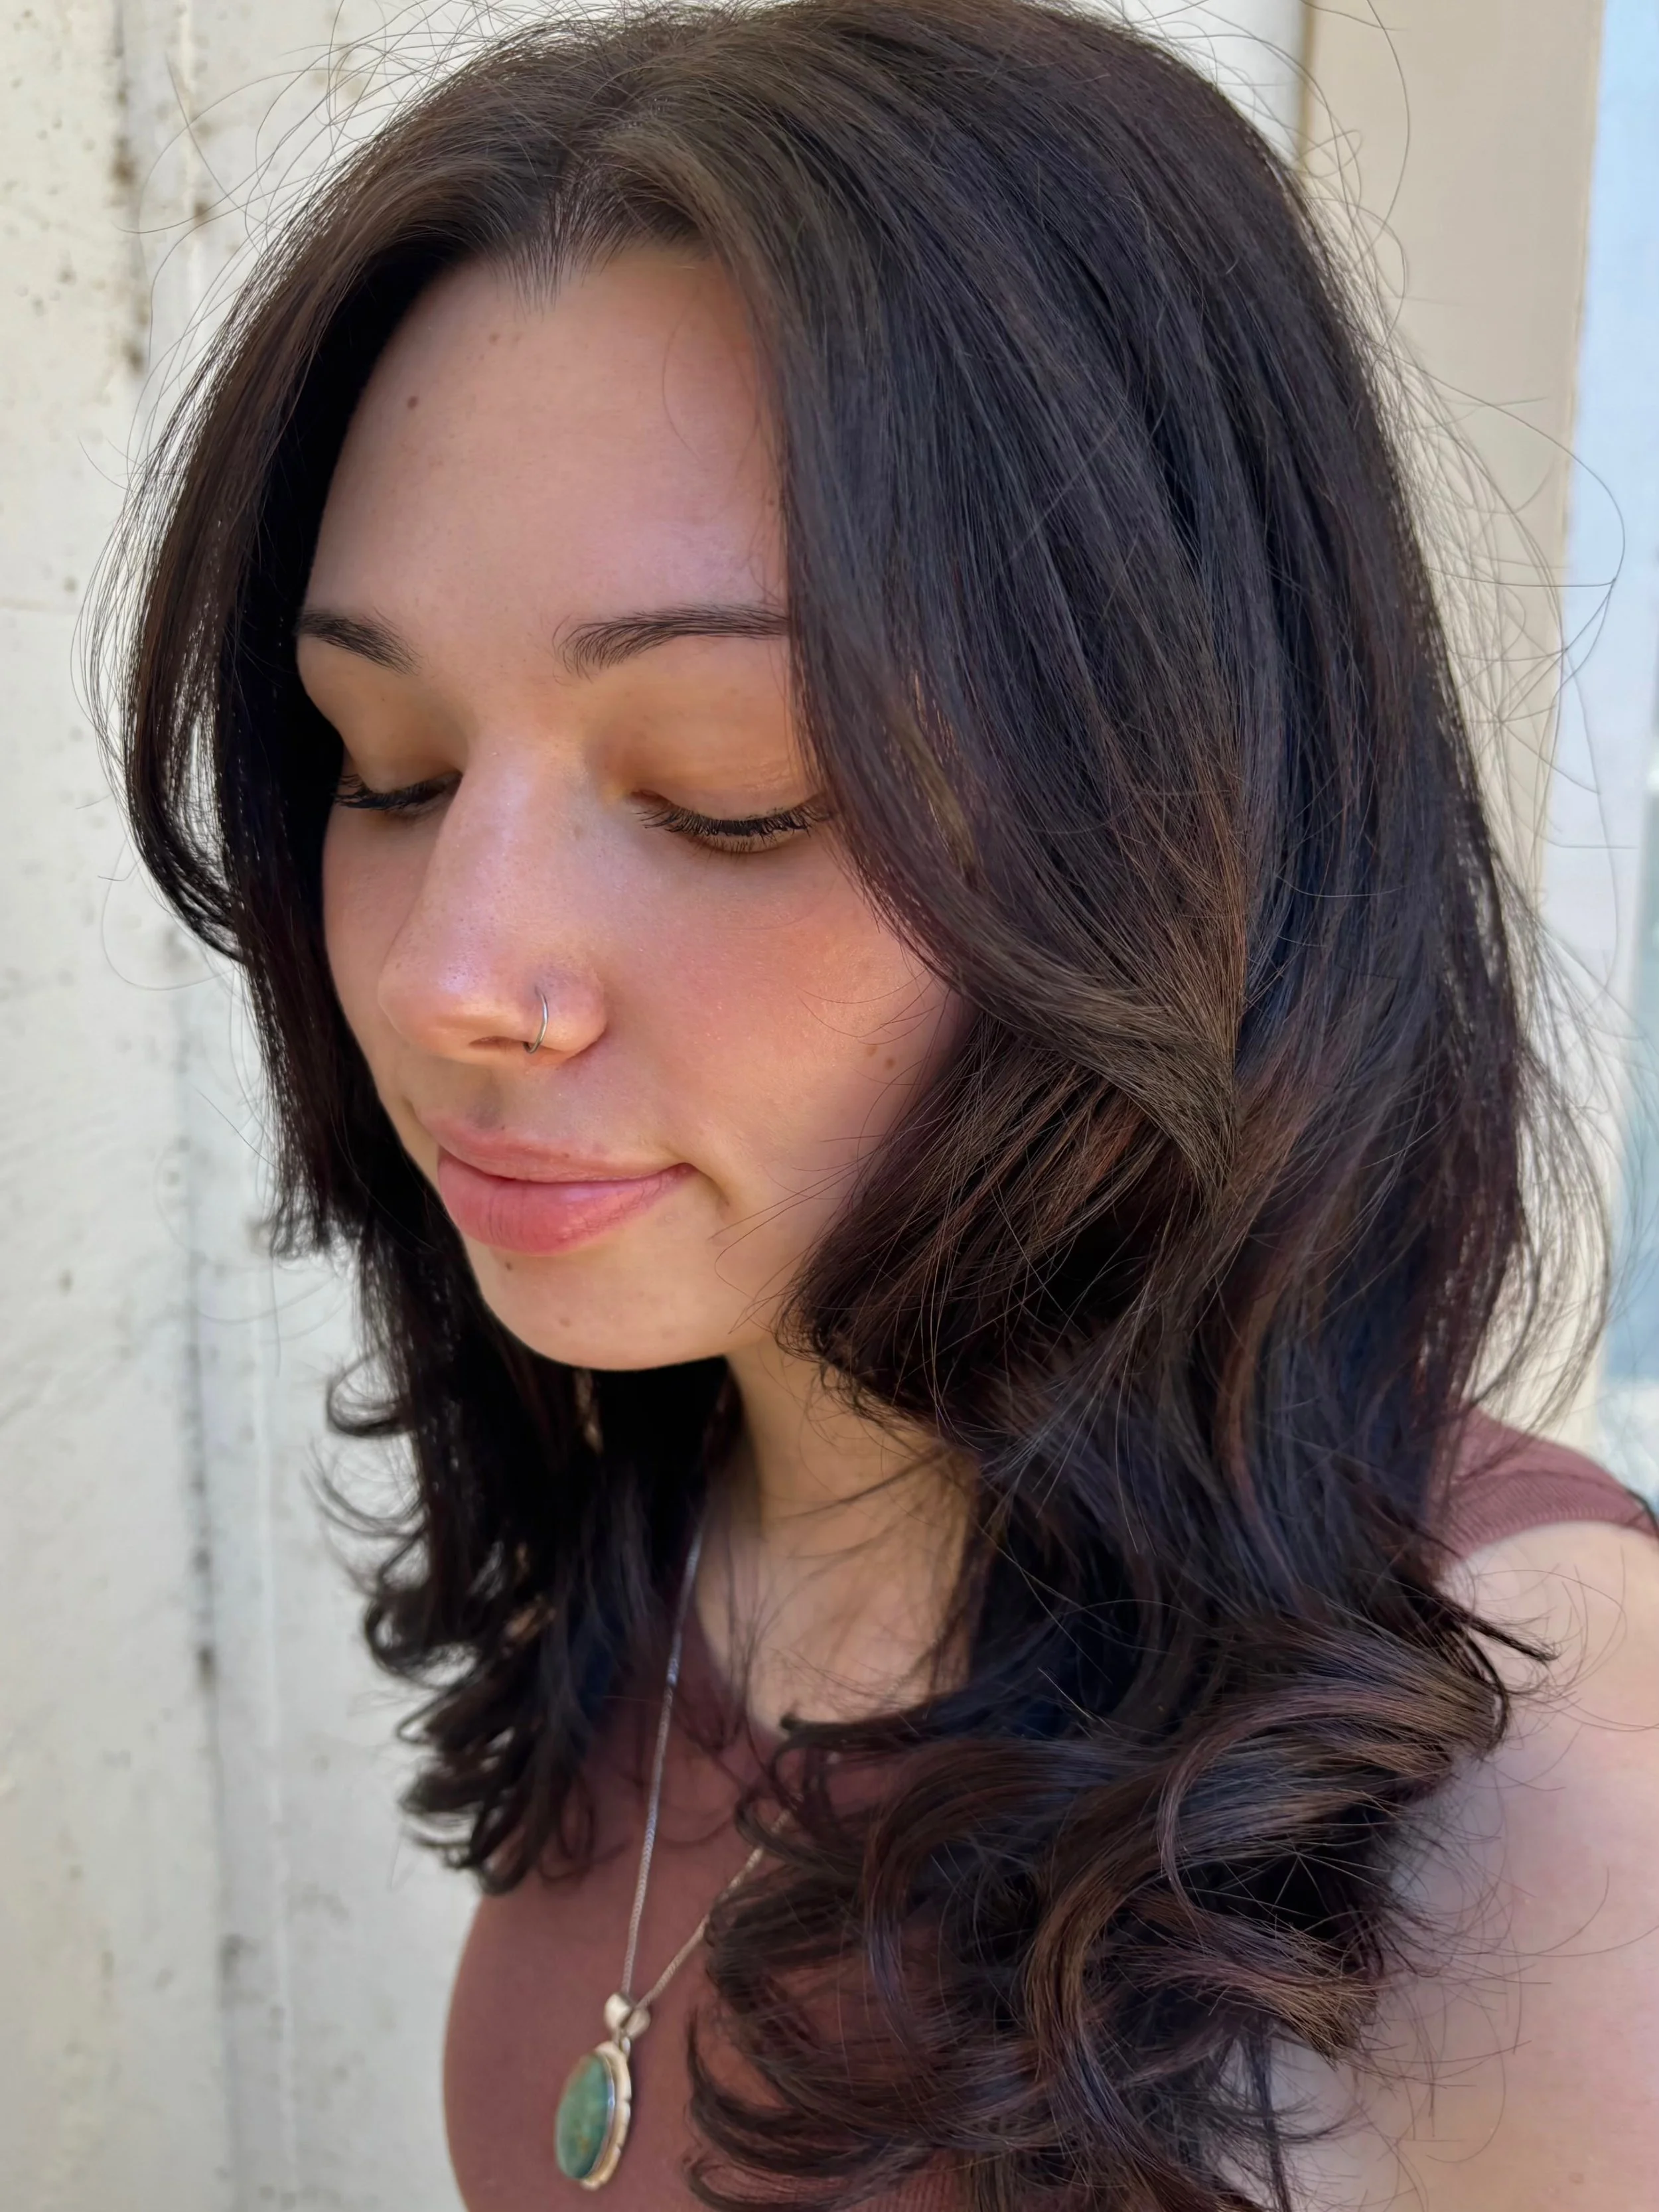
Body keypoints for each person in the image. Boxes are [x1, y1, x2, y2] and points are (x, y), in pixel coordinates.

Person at [102, 2, 1659, 2206]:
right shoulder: (663, 1492)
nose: (448, 975)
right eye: (393, 767)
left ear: (1182, 808)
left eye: (724, 790)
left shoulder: (1548, 1831)